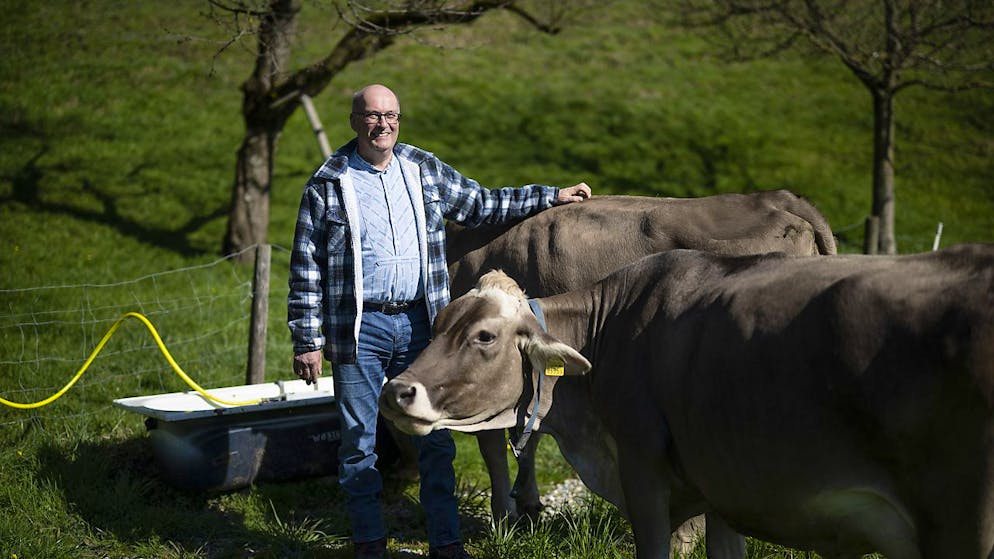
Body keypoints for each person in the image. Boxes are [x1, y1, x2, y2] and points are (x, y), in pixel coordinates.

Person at [287, 83, 591, 559]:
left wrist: (550, 195)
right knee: (358, 444)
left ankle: (446, 544)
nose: (382, 124)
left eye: (391, 115)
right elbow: (306, 265)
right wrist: (308, 338)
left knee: (434, 440)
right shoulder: (328, 183)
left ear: (399, 120)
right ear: (354, 121)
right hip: (357, 329)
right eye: (371, 116)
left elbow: (480, 204)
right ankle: (370, 544)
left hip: (422, 325)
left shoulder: (421, 169)